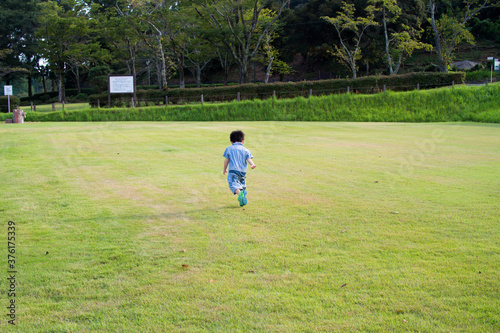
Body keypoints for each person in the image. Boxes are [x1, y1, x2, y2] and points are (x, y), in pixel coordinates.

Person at [223, 130, 256, 206]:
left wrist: (224, 169)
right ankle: (242, 198)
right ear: (243, 141)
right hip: (243, 171)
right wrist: (252, 164)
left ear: (231, 141)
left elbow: (226, 160)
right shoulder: (246, 150)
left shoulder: (229, 149)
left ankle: (240, 193)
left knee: (232, 184)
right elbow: (249, 159)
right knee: (241, 184)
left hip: (233, 170)